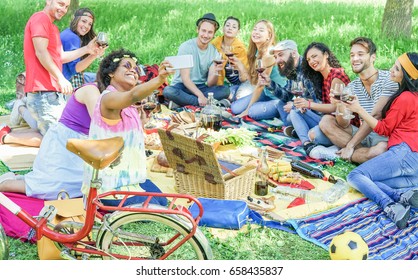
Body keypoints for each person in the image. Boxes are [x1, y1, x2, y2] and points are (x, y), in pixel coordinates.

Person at [81, 49, 171, 206]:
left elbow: (127, 133)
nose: (133, 71)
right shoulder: (107, 99)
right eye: (127, 66)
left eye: (136, 69)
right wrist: (159, 79)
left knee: (167, 204)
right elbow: (133, 95)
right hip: (109, 187)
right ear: (111, 73)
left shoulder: (128, 105)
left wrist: (142, 120)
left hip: (131, 180)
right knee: (164, 212)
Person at [346, 52, 418, 230]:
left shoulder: (406, 98)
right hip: (414, 161)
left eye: (396, 68)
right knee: (373, 183)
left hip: (403, 152)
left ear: (407, 75)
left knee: (355, 176)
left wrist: (358, 110)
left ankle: (390, 205)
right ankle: (402, 196)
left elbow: (384, 129)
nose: (391, 70)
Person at [0, 83, 101, 199]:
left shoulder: (111, 92)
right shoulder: (91, 90)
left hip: (51, 98)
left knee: (76, 186)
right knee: (55, 188)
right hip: (46, 97)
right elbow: (102, 126)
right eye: (125, 66)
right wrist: (60, 78)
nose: (128, 71)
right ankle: (7, 182)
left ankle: (18, 111)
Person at [24, 0, 98, 136]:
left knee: (57, 141)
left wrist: (88, 50)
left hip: (53, 94)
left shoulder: (53, 28)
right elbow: (40, 52)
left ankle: (20, 110)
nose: (63, 9)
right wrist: (61, 78)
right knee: (57, 142)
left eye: (66, 7)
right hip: (43, 94)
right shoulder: (40, 18)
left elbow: (61, 57)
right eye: (60, 4)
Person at [319, 37, 399, 163]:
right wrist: (340, 105)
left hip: (382, 136)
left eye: (360, 54)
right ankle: (360, 154)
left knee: (381, 150)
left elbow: (376, 115)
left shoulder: (388, 80)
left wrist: (350, 145)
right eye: (352, 55)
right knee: (326, 121)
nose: (355, 59)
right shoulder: (352, 87)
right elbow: (344, 123)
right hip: (363, 136)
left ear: (373, 57)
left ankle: (342, 154)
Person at [289, 42, 350, 159]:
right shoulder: (322, 78)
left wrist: (309, 104)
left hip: (341, 126)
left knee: (314, 134)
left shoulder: (337, 75)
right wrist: (306, 105)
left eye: (314, 56)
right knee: (295, 111)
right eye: (308, 59)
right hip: (327, 121)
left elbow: (335, 107)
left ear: (326, 54)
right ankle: (307, 144)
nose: (311, 61)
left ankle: (308, 135)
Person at [163, 13, 230, 108]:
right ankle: (207, 103)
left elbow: (211, 84)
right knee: (168, 91)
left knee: (225, 90)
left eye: (210, 32)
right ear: (197, 30)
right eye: (203, 31)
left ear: (214, 34)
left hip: (201, 86)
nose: (206, 35)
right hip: (182, 86)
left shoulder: (214, 51)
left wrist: (216, 71)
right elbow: (185, 79)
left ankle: (183, 103)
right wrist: (200, 96)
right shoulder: (186, 47)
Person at [230, 19, 287, 119]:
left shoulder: (269, 54)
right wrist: (240, 65)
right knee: (235, 108)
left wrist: (247, 110)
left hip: (278, 96)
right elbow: (253, 80)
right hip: (266, 93)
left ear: (269, 36)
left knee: (252, 112)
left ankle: (280, 106)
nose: (256, 32)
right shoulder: (257, 52)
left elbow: (260, 85)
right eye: (255, 29)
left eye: (261, 30)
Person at [261, 39, 316, 128]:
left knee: (293, 113)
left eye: (281, 55)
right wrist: (269, 83)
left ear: (293, 53)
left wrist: (294, 105)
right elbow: (287, 96)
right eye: (275, 57)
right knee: (280, 104)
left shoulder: (307, 71)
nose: (277, 61)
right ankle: (294, 127)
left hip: (315, 114)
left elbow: (316, 101)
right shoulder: (292, 69)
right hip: (302, 107)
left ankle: (298, 128)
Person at [61, 7, 105, 88]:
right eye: (84, 21)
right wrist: (94, 55)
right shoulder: (72, 38)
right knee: (104, 80)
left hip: (64, 77)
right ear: (75, 20)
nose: (86, 26)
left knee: (96, 77)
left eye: (90, 24)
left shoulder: (67, 32)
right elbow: (76, 68)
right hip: (65, 82)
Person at [211, 16, 248, 101]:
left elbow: (245, 75)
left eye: (234, 27)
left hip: (239, 82)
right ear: (223, 29)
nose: (230, 28)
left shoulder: (240, 49)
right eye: (227, 25)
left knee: (236, 95)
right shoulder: (215, 44)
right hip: (221, 83)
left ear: (238, 32)